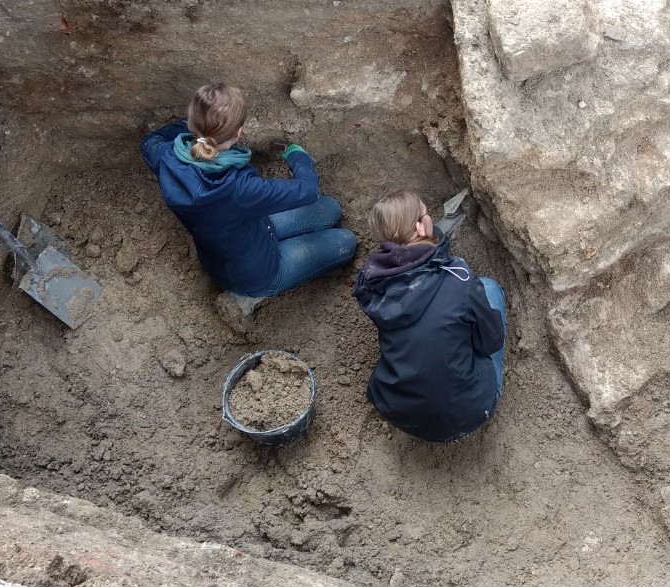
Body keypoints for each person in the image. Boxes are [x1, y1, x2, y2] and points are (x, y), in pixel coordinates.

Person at [140, 84, 357, 321]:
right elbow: (307, 190)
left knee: (331, 209)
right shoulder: (241, 188)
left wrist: (202, 127)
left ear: (192, 122)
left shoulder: (166, 158)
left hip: (249, 233)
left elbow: (150, 140)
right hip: (256, 274)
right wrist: (298, 156)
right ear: (238, 133)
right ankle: (247, 297)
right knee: (345, 242)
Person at [354, 189, 509, 444]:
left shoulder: (373, 284)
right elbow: (490, 343)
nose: (431, 217)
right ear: (418, 228)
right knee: (490, 288)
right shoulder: (459, 277)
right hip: (468, 412)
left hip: (401, 411)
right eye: (427, 214)